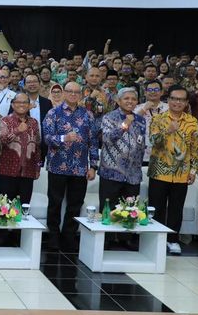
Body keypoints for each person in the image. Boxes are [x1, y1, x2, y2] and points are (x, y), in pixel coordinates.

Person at [43, 81, 99, 252]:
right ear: (64, 93)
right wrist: (63, 139)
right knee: (55, 203)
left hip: (80, 168)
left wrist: (93, 166)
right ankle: (53, 236)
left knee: (75, 204)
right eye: (70, 91)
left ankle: (69, 236)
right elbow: (46, 137)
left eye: (77, 92)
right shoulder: (54, 113)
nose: (73, 94)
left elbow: (94, 142)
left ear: (81, 94)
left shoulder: (88, 115)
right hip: (57, 167)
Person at [148, 85, 198, 255]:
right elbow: (153, 141)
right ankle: (155, 239)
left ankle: (173, 240)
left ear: (186, 102)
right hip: (159, 171)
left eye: (181, 99)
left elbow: (194, 148)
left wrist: (193, 171)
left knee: (176, 208)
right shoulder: (158, 119)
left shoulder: (192, 122)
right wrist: (167, 131)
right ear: (168, 99)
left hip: (181, 173)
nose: (177, 102)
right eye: (174, 98)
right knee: (157, 208)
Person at [98, 88, 146, 222]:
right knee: (109, 211)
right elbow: (107, 139)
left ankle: (126, 240)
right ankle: (106, 241)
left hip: (133, 175)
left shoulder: (141, 120)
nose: (130, 101)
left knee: (130, 211)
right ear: (119, 101)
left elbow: (141, 144)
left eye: (133, 99)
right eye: (126, 98)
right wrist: (125, 124)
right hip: (112, 173)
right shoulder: (109, 117)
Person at [0, 92, 41, 205]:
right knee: (4, 209)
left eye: (25, 102)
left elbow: (37, 147)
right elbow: (2, 140)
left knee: (23, 208)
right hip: (7, 172)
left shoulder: (34, 123)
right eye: (18, 102)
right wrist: (17, 131)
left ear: (29, 105)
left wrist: (37, 168)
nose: (22, 105)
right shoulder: (5, 121)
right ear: (13, 105)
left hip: (28, 172)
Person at [134, 79, 167, 165]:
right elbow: (130, 123)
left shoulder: (168, 108)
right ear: (145, 92)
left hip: (164, 153)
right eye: (150, 90)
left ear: (161, 92)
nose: (153, 92)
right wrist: (144, 109)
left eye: (156, 90)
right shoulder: (137, 108)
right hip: (142, 153)